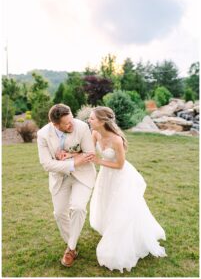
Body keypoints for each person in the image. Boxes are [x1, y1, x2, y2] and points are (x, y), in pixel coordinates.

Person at [88, 106, 167, 273]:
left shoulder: (116, 140)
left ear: (102, 122)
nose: (89, 120)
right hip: (105, 176)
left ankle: (120, 240)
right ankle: (109, 230)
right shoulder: (95, 134)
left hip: (120, 177)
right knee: (106, 203)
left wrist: (98, 161)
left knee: (121, 209)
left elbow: (119, 164)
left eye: (92, 118)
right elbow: (87, 150)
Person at [37, 104, 96, 267]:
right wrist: (73, 162)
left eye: (72, 120)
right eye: (67, 123)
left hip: (83, 175)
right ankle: (73, 242)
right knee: (59, 213)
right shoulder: (43, 135)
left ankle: (70, 249)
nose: (72, 124)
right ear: (55, 124)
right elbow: (47, 164)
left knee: (78, 207)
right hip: (59, 178)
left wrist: (70, 156)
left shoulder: (82, 127)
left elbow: (90, 153)